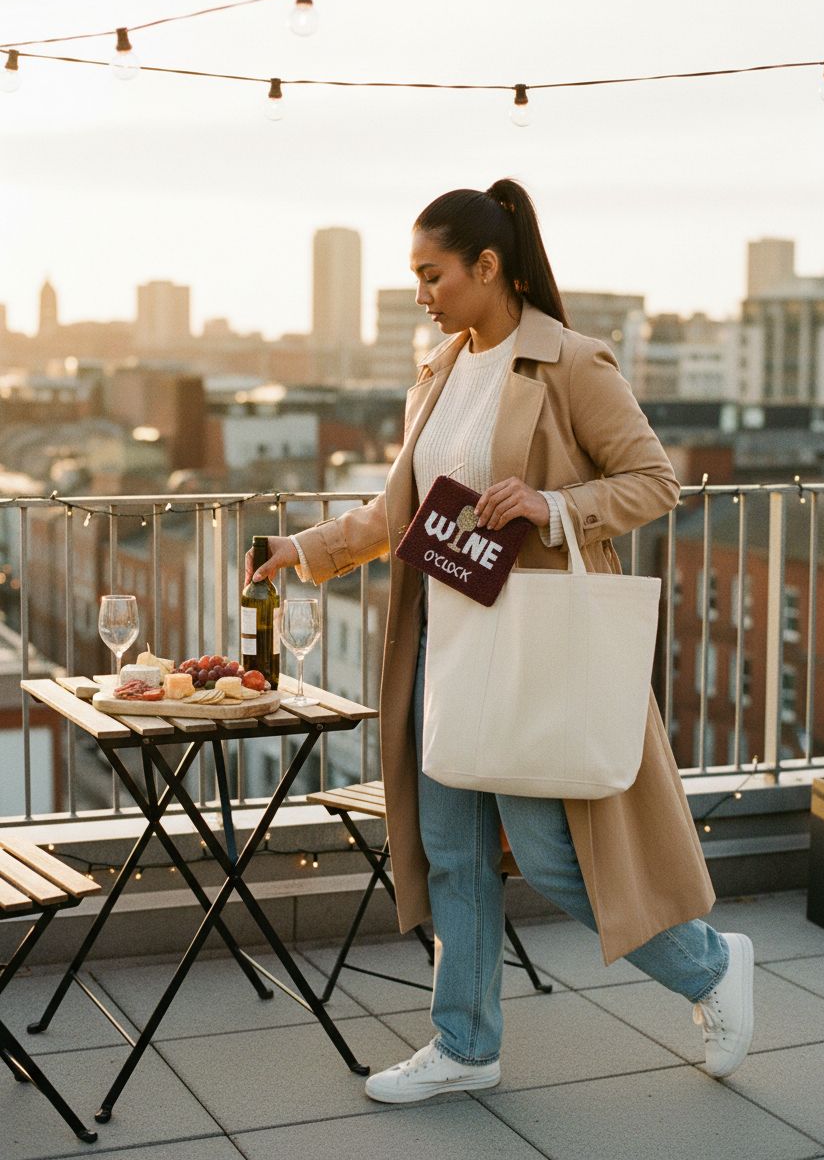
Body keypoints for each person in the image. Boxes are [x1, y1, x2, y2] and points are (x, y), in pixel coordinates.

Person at [244, 178, 754, 1104]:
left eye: (432, 274)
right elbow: (403, 512)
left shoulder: (571, 363)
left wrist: (555, 506)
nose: (421, 294)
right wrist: (303, 549)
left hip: (531, 649)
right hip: (446, 650)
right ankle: (465, 1044)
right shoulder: (439, 372)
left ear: (488, 266)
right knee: (452, 854)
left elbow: (654, 482)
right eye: (414, 278)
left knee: (552, 854)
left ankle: (712, 968)